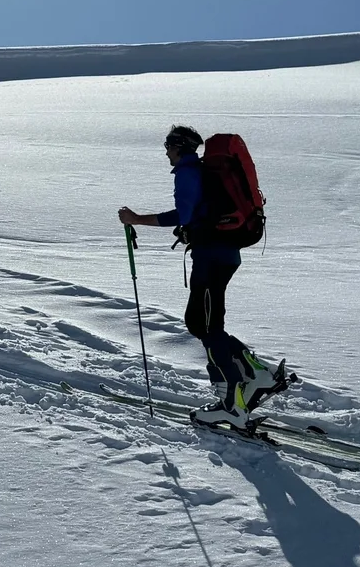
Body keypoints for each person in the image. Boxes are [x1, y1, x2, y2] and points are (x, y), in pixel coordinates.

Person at [119, 125, 281, 428]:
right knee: (203, 323)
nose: (165, 150)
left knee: (205, 324)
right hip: (222, 254)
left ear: (180, 146)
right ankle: (256, 375)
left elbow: (183, 215)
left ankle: (233, 403)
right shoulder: (201, 172)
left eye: (168, 144)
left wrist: (136, 219)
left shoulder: (189, 173)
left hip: (211, 257)